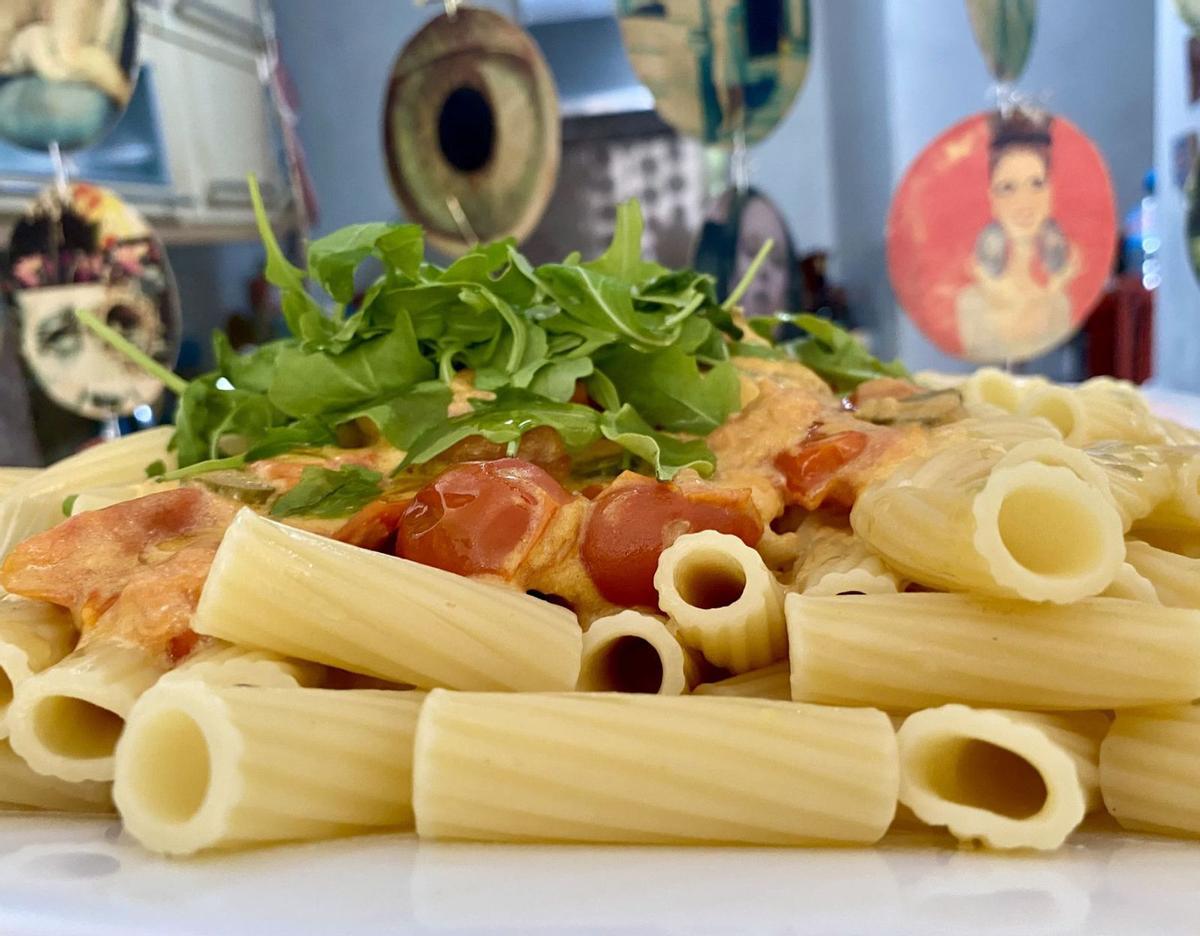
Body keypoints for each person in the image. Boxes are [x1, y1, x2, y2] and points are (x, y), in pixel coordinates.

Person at [955, 109, 1080, 362]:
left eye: (1036, 184)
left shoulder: (1061, 303)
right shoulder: (971, 303)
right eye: (1007, 188)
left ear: (1050, 193)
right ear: (992, 199)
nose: (1024, 203)